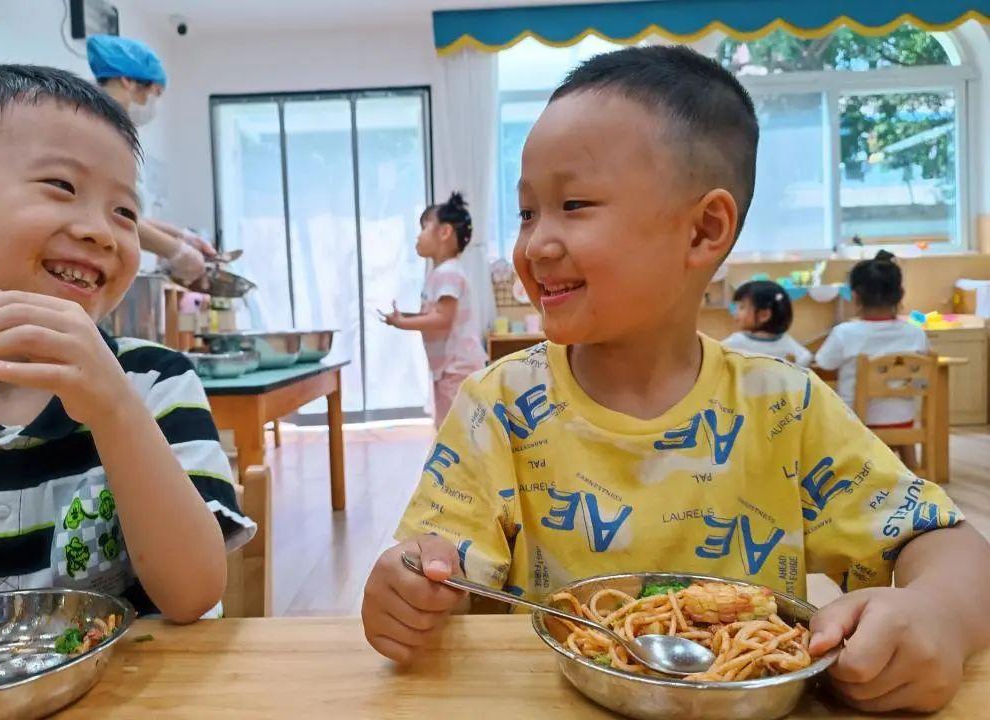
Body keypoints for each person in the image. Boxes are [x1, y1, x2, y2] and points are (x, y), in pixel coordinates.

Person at [360, 46, 989, 713]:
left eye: (573, 204)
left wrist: (940, 615)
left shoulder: (785, 408)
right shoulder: (500, 407)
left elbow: (948, 545)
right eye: (526, 212)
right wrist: (414, 583)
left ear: (703, 231)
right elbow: (442, 563)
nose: (535, 244)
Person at [0, 64, 254, 621]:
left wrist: (115, 408)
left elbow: (194, 594)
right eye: (62, 187)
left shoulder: (154, 381)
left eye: (125, 212)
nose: (101, 231)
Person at [87, 34, 213, 286]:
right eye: (155, 93)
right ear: (127, 81)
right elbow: (110, 214)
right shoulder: (96, 129)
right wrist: (176, 251)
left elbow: (127, 214)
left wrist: (182, 237)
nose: (153, 105)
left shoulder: (115, 130)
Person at [380, 192, 487, 427]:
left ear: (444, 232)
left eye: (424, 228)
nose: (418, 236)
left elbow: (442, 318)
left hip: (458, 368)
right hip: (449, 368)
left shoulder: (448, 272)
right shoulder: (441, 273)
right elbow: (435, 314)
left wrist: (402, 323)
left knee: (457, 429)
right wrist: (405, 317)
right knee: (451, 426)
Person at [815, 251, 928, 466]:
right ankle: (910, 468)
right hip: (903, 420)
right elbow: (922, 378)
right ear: (900, 295)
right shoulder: (915, 334)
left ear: (855, 296)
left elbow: (823, 363)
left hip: (856, 422)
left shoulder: (845, 333)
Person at [722, 280, 811, 366]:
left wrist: (793, 370)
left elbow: (805, 356)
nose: (735, 312)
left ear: (763, 315)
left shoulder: (785, 340)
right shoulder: (736, 341)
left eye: (742, 307)